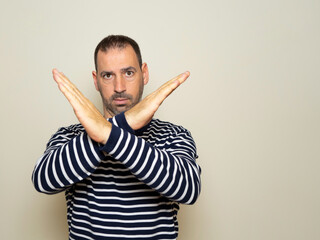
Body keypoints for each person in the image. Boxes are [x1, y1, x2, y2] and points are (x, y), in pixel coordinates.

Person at [32, 35, 201, 240]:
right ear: (96, 80)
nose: (119, 87)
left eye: (128, 73)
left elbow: (188, 189)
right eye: (108, 75)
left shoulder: (173, 135)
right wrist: (123, 125)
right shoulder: (70, 136)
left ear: (144, 73)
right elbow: (43, 180)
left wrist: (109, 133)